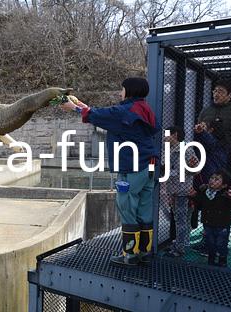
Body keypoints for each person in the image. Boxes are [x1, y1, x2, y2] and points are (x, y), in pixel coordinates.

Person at [60, 77, 159, 266]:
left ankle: (129, 254)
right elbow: (104, 116)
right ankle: (144, 252)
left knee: (127, 206)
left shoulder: (124, 111)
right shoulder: (144, 109)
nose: (119, 93)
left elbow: (103, 115)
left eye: (122, 89)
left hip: (133, 167)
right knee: (145, 208)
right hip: (150, 165)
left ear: (129, 91)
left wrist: (73, 108)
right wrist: (82, 105)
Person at [193, 170, 231, 267]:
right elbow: (199, 204)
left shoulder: (226, 194)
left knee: (221, 243)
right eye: (211, 178)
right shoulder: (205, 192)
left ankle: (222, 259)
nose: (212, 181)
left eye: (217, 179)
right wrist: (194, 196)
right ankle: (211, 258)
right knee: (210, 242)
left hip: (222, 225)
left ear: (223, 185)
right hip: (208, 223)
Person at [164, 126, 198, 258]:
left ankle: (180, 247)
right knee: (178, 219)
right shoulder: (170, 150)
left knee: (181, 220)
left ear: (175, 135)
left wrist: (185, 170)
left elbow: (196, 168)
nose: (165, 138)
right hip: (173, 190)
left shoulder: (186, 150)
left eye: (167, 135)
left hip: (183, 191)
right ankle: (178, 244)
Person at [198, 79, 231, 147]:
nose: (216, 94)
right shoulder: (206, 111)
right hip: (206, 150)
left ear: (230, 95)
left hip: (229, 152)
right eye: (215, 91)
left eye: (221, 92)